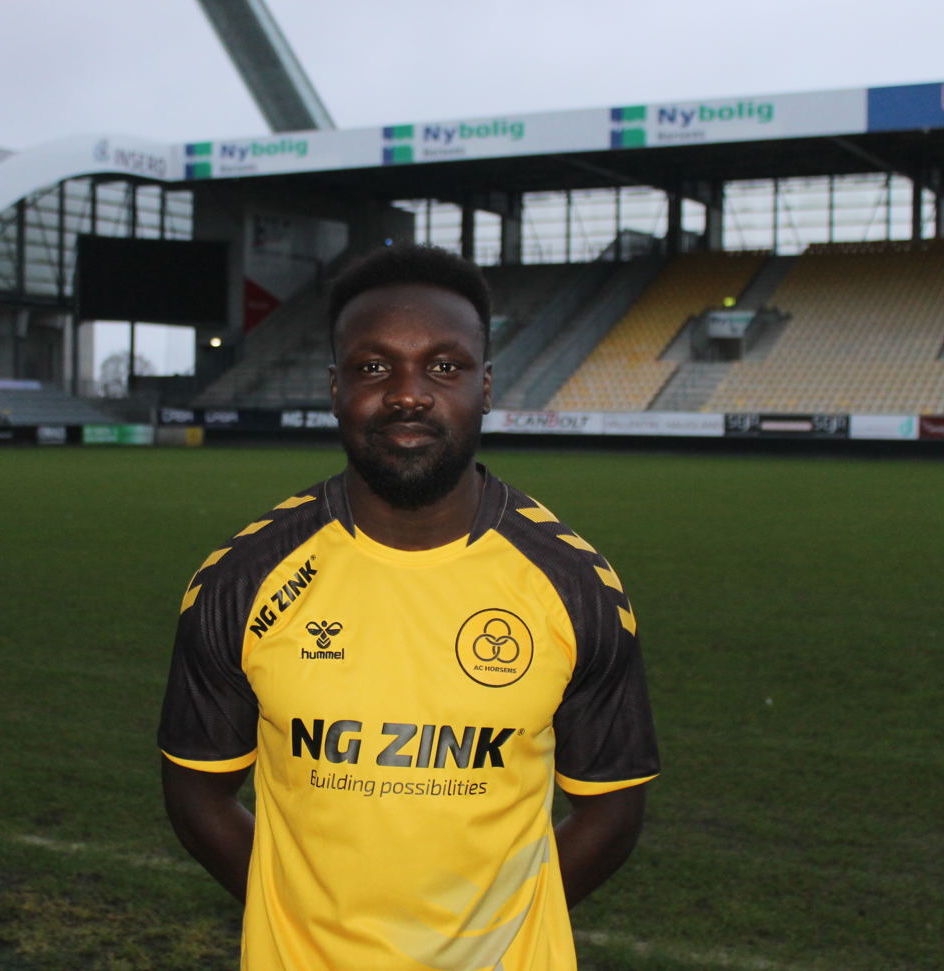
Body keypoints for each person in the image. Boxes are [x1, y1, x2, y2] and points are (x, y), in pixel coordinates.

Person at [157, 243, 659, 970]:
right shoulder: (241, 581)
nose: (407, 394)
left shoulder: (576, 587)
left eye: (444, 367)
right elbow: (196, 798)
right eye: (373, 367)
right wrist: (301, 922)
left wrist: (496, 936)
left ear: (486, 386)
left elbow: (612, 813)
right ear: (335, 387)